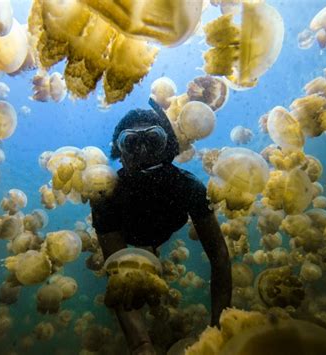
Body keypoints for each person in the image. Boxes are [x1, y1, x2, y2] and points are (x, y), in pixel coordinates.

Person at [90, 98, 232, 354]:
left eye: (153, 140)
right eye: (132, 143)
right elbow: (118, 274)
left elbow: (219, 258)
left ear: (167, 147)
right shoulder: (105, 196)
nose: (143, 151)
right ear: (119, 153)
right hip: (130, 234)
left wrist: (220, 327)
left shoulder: (188, 187)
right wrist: (141, 345)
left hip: (165, 227)